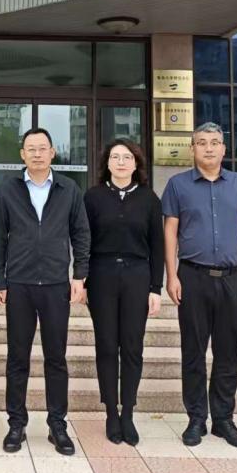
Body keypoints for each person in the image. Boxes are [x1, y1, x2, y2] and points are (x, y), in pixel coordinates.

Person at [0, 127, 90, 456]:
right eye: (30, 148)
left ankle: (57, 424)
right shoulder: (8, 189)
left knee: (56, 358)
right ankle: (16, 424)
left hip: (55, 285)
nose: (36, 153)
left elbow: (81, 234)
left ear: (52, 153)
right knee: (17, 358)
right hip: (19, 285)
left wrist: (79, 275)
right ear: (22, 154)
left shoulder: (68, 189)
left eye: (42, 148)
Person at [163, 122, 237, 450]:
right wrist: (171, 275)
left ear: (224, 149)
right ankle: (196, 418)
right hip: (192, 276)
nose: (208, 148)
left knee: (229, 351)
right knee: (193, 350)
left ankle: (223, 418)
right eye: (202, 142)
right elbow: (170, 232)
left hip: (232, 278)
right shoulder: (177, 185)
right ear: (192, 148)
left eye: (215, 142)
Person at [84, 139, 164, 446]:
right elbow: (83, 241)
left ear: (135, 163)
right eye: (115, 157)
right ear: (106, 163)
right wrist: (81, 279)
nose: (121, 162)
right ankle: (110, 413)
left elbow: (157, 246)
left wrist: (155, 288)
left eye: (127, 157)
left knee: (132, 346)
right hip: (101, 276)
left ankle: (128, 412)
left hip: (137, 276)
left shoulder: (148, 199)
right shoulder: (93, 197)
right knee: (106, 345)